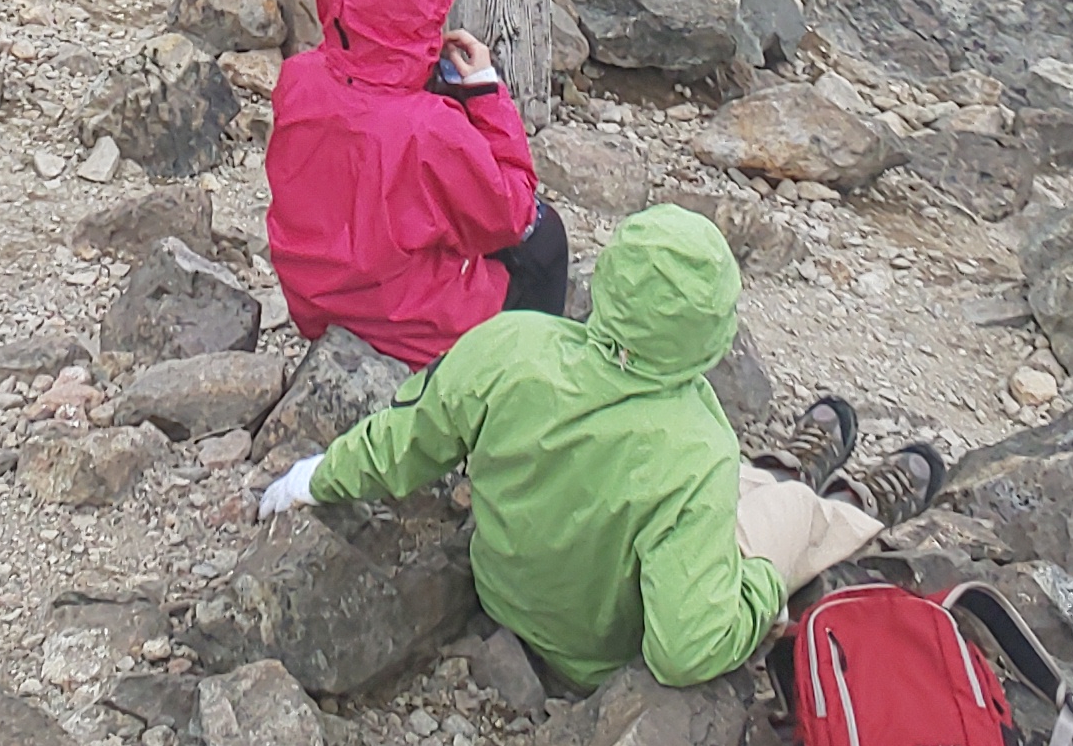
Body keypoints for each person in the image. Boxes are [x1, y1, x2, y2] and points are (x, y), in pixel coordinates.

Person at [252, 206, 943, 691]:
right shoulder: (697, 445)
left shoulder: (508, 345)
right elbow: (684, 651)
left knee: (696, 482)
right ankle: (835, 502)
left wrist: (313, 479)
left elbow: (403, 441)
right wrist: (758, 587)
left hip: (506, 597)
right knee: (783, 518)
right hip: (594, 656)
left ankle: (785, 470)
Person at [265, 0, 557, 362]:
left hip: (316, 301)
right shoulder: (431, 128)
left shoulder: (299, 77)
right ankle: (526, 375)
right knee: (544, 235)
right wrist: (484, 92)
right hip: (408, 326)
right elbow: (511, 214)